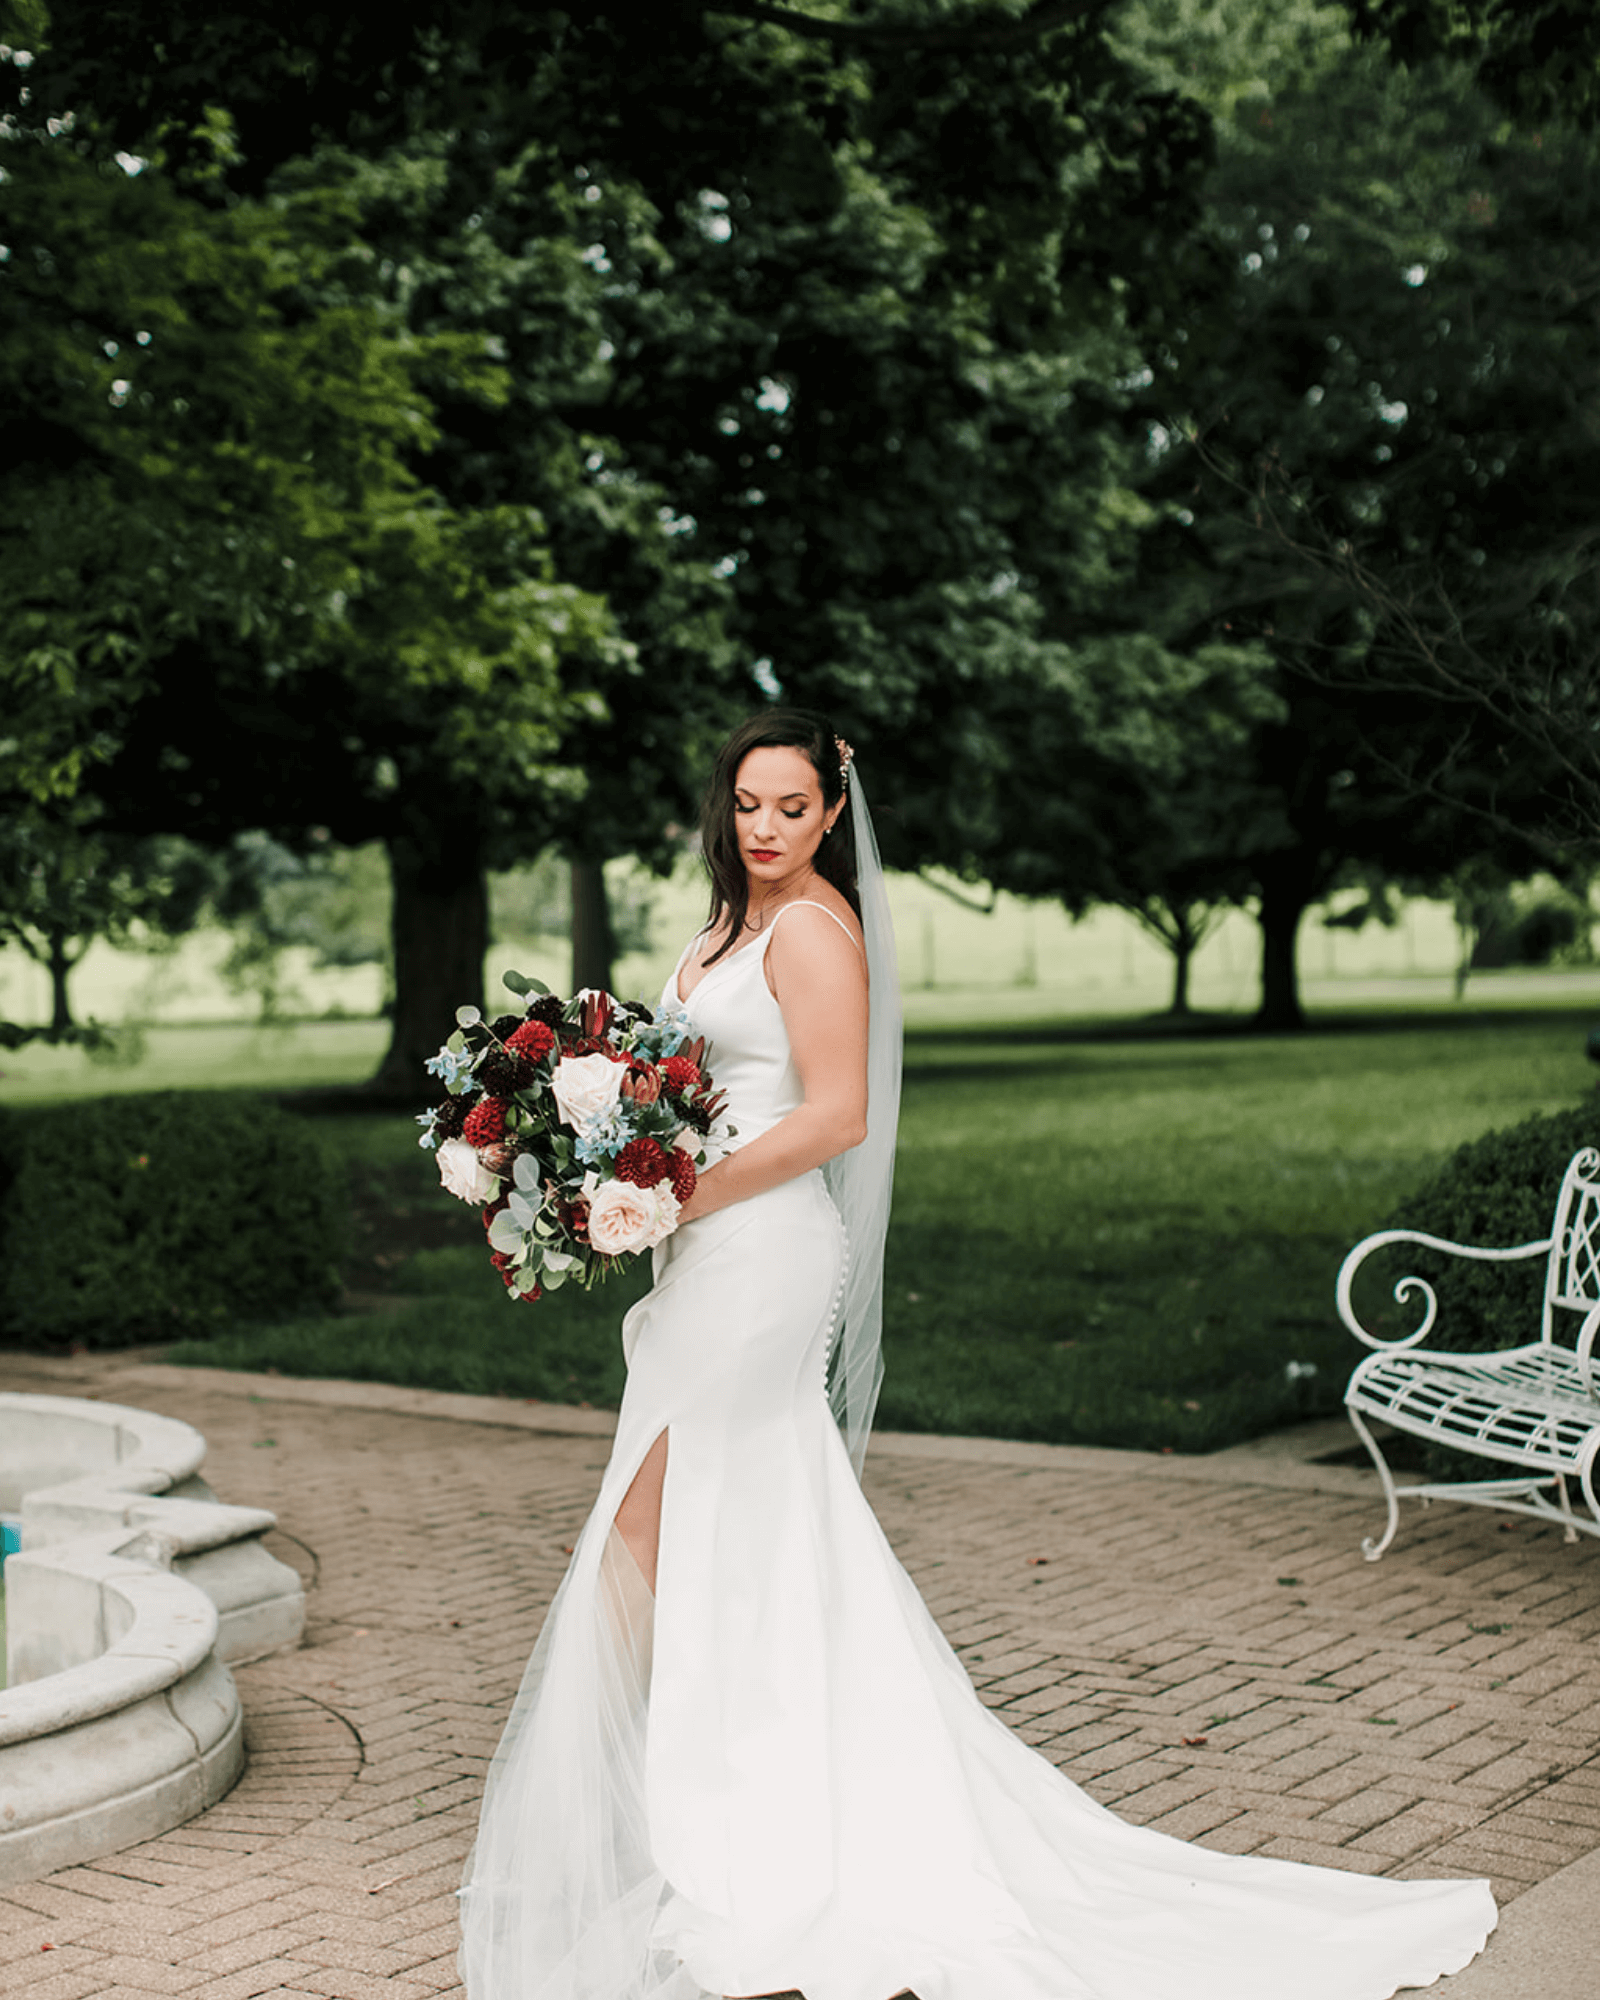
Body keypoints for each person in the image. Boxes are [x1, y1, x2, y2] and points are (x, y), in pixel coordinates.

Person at [458, 708, 1496, 2000]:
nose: (769, 829)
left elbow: (838, 1115)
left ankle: (655, 1820)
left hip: (763, 1256)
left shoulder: (820, 931)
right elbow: (688, 1078)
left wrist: (684, 1192)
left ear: (833, 814)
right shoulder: (726, 927)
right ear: (723, 811)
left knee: (655, 1521)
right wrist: (604, 1147)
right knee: (747, 1521)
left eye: (793, 808)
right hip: (703, 1252)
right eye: (748, 807)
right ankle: (729, 1804)